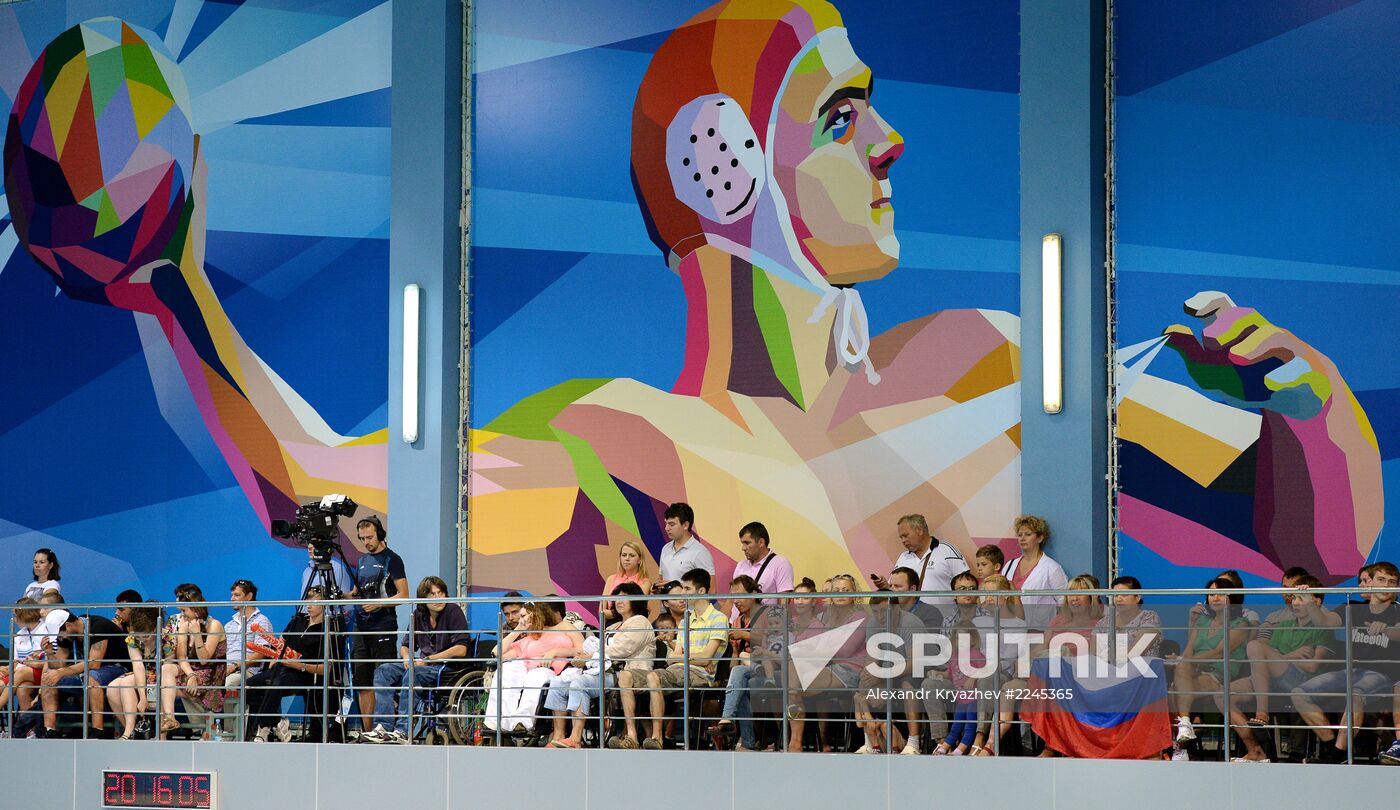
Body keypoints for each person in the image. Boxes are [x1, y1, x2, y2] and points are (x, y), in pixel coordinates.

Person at [1291, 561, 1400, 764]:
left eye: (1392, 582)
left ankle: (1337, 756)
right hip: (1350, 672)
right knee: (1299, 694)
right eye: (1381, 580)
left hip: (1381, 675)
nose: (1386, 585)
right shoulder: (1353, 608)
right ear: (1371, 583)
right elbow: (1323, 623)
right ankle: (1332, 749)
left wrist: (1384, 629)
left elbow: (1397, 633)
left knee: (1355, 696)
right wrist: (1308, 602)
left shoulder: (1396, 611)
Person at [1229, 574, 1333, 763]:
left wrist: (1274, 658)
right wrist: (1289, 657)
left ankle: (1262, 713)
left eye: (1301, 598)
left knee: (1254, 646)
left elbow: (1312, 665)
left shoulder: (1322, 626)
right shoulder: (1284, 624)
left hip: (1301, 682)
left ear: (1316, 601)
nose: (1295, 602)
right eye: (1293, 597)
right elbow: (1266, 657)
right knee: (1222, 695)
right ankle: (1256, 751)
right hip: (1272, 681)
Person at [363, 576, 471, 744]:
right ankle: (382, 727)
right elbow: (405, 646)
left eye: (440, 593)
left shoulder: (453, 611)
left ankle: (402, 731)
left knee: (413, 673)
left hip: (446, 669)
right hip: (422, 665)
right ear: (423, 599)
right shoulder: (418, 615)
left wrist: (428, 659)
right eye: (432, 595)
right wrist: (407, 657)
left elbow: (461, 649)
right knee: (383, 671)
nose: (438, 598)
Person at [548, 582, 654, 749]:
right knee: (557, 683)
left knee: (579, 683)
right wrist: (580, 656)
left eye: (624, 598)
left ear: (636, 600)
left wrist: (590, 657)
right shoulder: (612, 626)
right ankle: (559, 735)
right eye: (616, 599)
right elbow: (596, 649)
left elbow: (622, 649)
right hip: (601, 672)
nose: (619, 602)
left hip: (625, 674)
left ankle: (575, 738)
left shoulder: (640, 622)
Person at [639, 568, 728, 749]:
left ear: (701, 591)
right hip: (676, 671)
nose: (682, 594)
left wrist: (686, 658)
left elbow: (706, 659)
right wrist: (694, 658)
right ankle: (634, 737)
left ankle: (658, 738)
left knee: (653, 677)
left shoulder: (719, 619)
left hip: (700, 675)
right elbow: (673, 658)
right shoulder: (684, 621)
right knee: (630, 679)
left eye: (687, 589)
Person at [787, 574, 866, 752]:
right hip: (828, 666)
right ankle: (796, 742)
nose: (840, 594)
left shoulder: (860, 615)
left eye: (846, 590)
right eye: (836, 590)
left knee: (793, 687)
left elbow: (847, 650)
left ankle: (797, 742)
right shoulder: (826, 617)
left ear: (855, 593)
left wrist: (817, 649)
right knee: (793, 668)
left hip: (851, 670)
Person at [347, 514, 409, 732]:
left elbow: (403, 595)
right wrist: (340, 596)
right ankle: (367, 732)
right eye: (362, 538)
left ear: (380, 535)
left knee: (381, 681)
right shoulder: (362, 561)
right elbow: (356, 594)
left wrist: (379, 604)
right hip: (360, 628)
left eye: (370, 537)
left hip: (383, 626)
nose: (366, 542)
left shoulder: (393, 559)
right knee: (362, 682)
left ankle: (382, 728)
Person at [1172, 577, 1251, 746]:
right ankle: (1185, 726)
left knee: (1174, 692)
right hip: (1194, 672)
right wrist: (1181, 660)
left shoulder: (1241, 624)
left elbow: (1217, 653)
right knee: (1174, 683)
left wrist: (1185, 660)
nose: (1215, 598)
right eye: (1211, 594)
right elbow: (1188, 651)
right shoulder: (1202, 621)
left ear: (1233, 598)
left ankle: (1182, 747)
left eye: (1221, 594)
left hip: (1220, 675)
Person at [245, 587, 330, 742]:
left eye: (314, 602)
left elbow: (326, 669)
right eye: (307, 602)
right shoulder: (298, 621)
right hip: (283, 668)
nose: (309, 605)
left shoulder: (327, 628)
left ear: (324, 604)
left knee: (274, 684)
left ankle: (263, 728)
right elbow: (281, 641)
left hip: (305, 673)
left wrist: (299, 665)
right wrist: (274, 657)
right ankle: (277, 721)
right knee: (249, 686)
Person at [484, 602, 581, 733]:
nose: (520, 619)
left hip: (552, 671)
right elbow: (496, 653)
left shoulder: (563, 627)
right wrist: (519, 628)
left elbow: (583, 649)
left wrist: (557, 651)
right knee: (506, 670)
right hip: (528, 669)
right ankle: (496, 722)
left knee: (535, 675)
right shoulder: (528, 639)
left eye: (523, 616)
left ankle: (522, 722)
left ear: (536, 614)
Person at [854, 590, 927, 755]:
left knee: (908, 684)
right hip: (891, 668)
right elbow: (871, 658)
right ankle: (870, 743)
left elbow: (914, 663)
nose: (879, 616)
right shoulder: (873, 623)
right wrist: (869, 675)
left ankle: (913, 743)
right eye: (875, 611)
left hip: (922, 668)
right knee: (863, 683)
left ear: (896, 610)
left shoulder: (909, 623)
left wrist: (880, 674)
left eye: (884, 611)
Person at [40, 608, 129, 738]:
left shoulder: (98, 626)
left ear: (68, 625)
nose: (60, 638)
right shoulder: (67, 635)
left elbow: (94, 663)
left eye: (60, 634)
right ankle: (49, 730)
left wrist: (61, 672)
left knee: (92, 677)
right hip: (87, 671)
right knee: (47, 678)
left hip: (117, 668)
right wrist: (49, 654)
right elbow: (58, 666)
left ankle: (98, 730)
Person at [921, 571, 985, 750]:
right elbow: (948, 660)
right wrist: (938, 673)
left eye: (972, 588)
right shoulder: (948, 622)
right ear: (954, 595)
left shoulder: (987, 617)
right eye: (962, 589)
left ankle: (975, 742)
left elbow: (990, 658)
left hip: (980, 680)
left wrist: (975, 676)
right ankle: (942, 742)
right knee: (929, 684)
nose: (968, 592)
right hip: (957, 680)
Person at [157, 584, 227, 738]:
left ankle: (164, 736)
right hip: (193, 672)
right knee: (166, 668)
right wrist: (191, 675)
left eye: (184, 611)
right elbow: (181, 657)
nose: (181, 615)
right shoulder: (183, 625)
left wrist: (196, 635)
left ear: (196, 610)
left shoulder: (214, 625)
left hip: (212, 675)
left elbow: (204, 660)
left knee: (164, 691)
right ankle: (169, 719)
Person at [873, 515, 967, 606]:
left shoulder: (947, 551)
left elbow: (967, 584)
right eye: (901, 537)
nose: (903, 540)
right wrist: (885, 587)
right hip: (911, 619)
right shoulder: (903, 557)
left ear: (920, 530)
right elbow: (896, 591)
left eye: (905, 535)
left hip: (945, 619)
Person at [999, 515, 1068, 628]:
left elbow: (1063, 602)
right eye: (1020, 535)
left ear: (1040, 538)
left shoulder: (1051, 568)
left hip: (1040, 628)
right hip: (1009, 627)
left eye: (1028, 534)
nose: (1022, 538)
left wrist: (1055, 629)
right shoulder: (1009, 565)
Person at [105, 605, 161, 741]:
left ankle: (129, 732)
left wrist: (143, 698)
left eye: (146, 636)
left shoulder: (167, 638)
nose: (142, 639)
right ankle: (132, 729)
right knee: (112, 689)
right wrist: (142, 697)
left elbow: (166, 666)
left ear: (155, 629)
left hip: (160, 675)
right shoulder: (132, 639)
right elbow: (138, 666)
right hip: (141, 674)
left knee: (126, 682)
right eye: (138, 636)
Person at [934, 620, 987, 756]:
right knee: (956, 725)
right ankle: (945, 746)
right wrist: (938, 674)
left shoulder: (975, 654)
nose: (961, 641)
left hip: (973, 699)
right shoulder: (954, 658)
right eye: (958, 638)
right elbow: (951, 675)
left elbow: (987, 669)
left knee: (970, 726)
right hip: (961, 699)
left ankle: (960, 749)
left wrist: (973, 678)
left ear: (972, 639)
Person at [224, 579, 272, 696]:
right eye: (232, 595)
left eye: (237, 595)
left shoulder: (262, 621)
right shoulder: (229, 624)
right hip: (225, 668)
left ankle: (235, 715)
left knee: (228, 683)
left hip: (247, 671)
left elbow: (261, 653)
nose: (232, 599)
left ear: (249, 596)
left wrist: (234, 666)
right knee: (196, 683)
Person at [1094, 575, 1161, 658]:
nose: (1118, 599)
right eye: (1115, 595)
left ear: (1137, 597)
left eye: (1124, 595)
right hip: (1107, 669)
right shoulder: (1103, 622)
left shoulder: (1149, 617)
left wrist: (1107, 655)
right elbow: (1093, 655)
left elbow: (1137, 651)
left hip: (1141, 669)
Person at [731, 522, 795, 597]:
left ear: (761, 542)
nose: (743, 548)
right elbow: (731, 600)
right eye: (742, 543)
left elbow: (784, 603)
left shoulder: (780, 564)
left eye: (747, 543)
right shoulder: (741, 565)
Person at [657, 503, 715, 583]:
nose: (667, 528)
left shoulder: (700, 552)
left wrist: (675, 587)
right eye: (666, 523)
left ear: (685, 525)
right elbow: (661, 579)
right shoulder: (665, 548)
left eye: (672, 524)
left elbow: (710, 590)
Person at [601, 542, 653, 618]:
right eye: (624, 555)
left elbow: (635, 611)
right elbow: (602, 611)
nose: (627, 559)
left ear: (640, 560)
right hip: (610, 625)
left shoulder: (645, 582)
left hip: (632, 624)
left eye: (632, 555)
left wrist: (611, 614)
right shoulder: (611, 579)